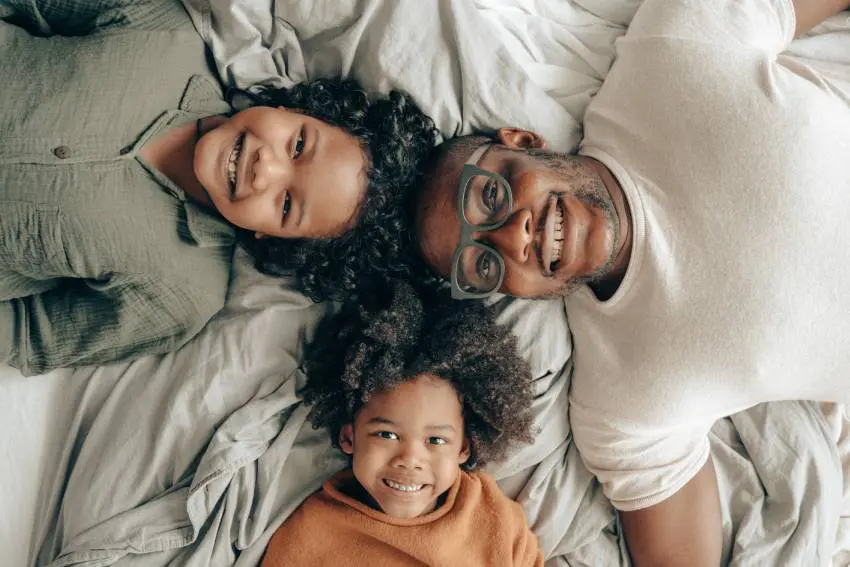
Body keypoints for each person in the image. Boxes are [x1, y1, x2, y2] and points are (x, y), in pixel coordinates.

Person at [412, 0, 850, 564]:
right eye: (485, 265)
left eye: (490, 196)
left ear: (521, 141)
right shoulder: (621, 404)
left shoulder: (669, 56)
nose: (512, 237)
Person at [0, 0, 436, 375]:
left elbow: (28, 337)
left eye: (286, 205)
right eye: (299, 144)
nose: (265, 169)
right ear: (293, 108)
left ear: (274, 238)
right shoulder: (163, 31)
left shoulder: (180, 296)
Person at [261, 280, 542, 566]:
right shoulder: (312, 532)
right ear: (349, 437)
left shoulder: (493, 520)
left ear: (464, 448)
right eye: (387, 434)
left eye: (435, 441)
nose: (409, 459)